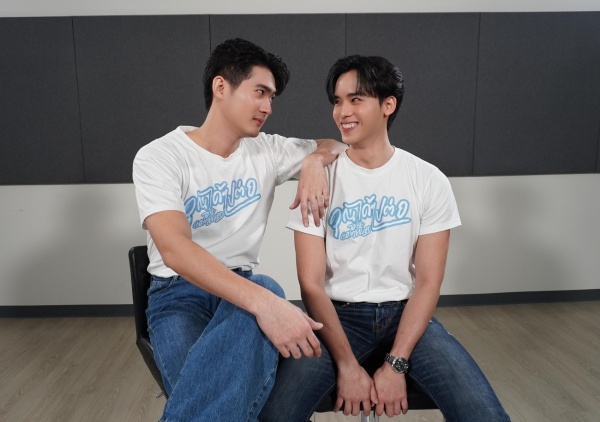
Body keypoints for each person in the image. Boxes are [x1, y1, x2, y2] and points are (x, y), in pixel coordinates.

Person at [259, 55, 511, 421]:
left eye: (356, 99)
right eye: (337, 101)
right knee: (274, 415)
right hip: (335, 319)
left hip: (405, 317)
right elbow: (311, 284)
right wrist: (347, 366)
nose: (342, 111)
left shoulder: (428, 179)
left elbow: (428, 282)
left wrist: (396, 364)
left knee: (484, 413)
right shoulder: (317, 180)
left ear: (388, 105)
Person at [132, 38, 346, 421]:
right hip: (180, 297)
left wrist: (314, 162)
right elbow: (175, 249)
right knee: (267, 291)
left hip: (241, 293)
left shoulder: (268, 150)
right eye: (260, 92)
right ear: (221, 86)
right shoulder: (160, 157)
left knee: (263, 294)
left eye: (272, 98)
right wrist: (265, 304)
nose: (268, 107)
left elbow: (337, 146)